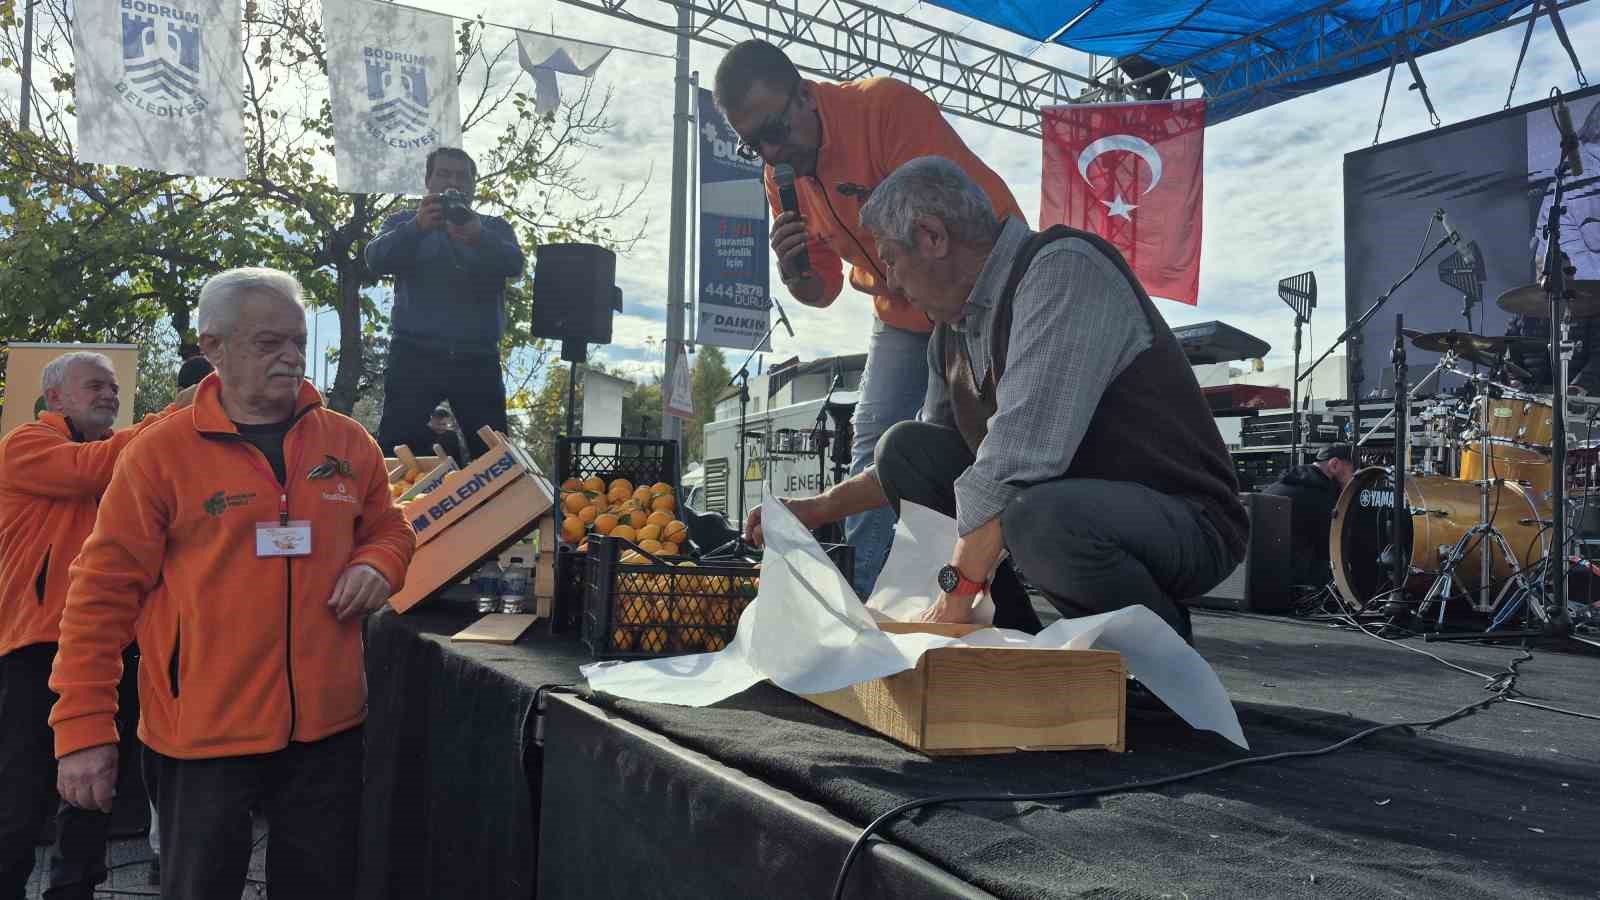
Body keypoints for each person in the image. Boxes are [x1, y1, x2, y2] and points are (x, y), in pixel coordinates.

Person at [743, 157, 1246, 641]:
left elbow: (1014, 462)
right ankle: (1007, 639)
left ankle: (1150, 667)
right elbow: (923, 466)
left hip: (1186, 520)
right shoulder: (952, 332)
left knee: (1038, 515)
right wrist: (819, 507)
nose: (891, 281)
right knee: (906, 449)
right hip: (1069, 506)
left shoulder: (1062, 271)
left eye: (892, 258)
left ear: (932, 237)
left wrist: (952, 597)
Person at [48, 268, 417, 899]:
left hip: (326, 731)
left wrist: (378, 564)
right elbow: (100, 593)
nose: (293, 357)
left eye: (298, 341)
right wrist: (82, 727)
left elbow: (391, 528)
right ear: (213, 346)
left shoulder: (348, 441)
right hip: (201, 731)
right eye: (269, 343)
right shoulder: (160, 453)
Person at [714, 40, 1025, 598]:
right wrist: (795, 272)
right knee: (874, 438)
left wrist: (958, 326)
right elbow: (824, 289)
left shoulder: (882, 109)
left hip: (968, 287)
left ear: (806, 97)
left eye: (774, 130)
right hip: (901, 305)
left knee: (943, 445)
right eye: (751, 143)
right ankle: (869, 596)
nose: (769, 152)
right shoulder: (780, 172)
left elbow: (961, 227)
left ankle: (959, 595)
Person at [0, 353, 186, 899]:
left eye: (111, 386)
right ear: (54, 398)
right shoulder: (25, 445)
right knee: (23, 787)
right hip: (39, 645)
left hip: (111, 643)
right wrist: (169, 419)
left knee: (96, 788)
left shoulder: (120, 460)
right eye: (94, 386)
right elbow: (93, 468)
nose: (108, 394)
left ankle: (74, 888)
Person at [367, 146, 525, 460]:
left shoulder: (494, 228)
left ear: (473, 185)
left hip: (477, 358)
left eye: (462, 176)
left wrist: (480, 237)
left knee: (493, 454)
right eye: (443, 174)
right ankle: (390, 510)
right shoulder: (404, 221)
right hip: (414, 355)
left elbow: (515, 264)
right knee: (396, 447)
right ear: (427, 180)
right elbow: (374, 258)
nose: (452, 182)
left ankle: (504, 509)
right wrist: (416, 228)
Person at [1261, 444, 1356, 588]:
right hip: (1289, 583)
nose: (1352, 478)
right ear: (1334, 464)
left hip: (1258, 575)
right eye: (1351, 471)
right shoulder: (1321, 494)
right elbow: (1331, 547)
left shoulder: (1284, 482)